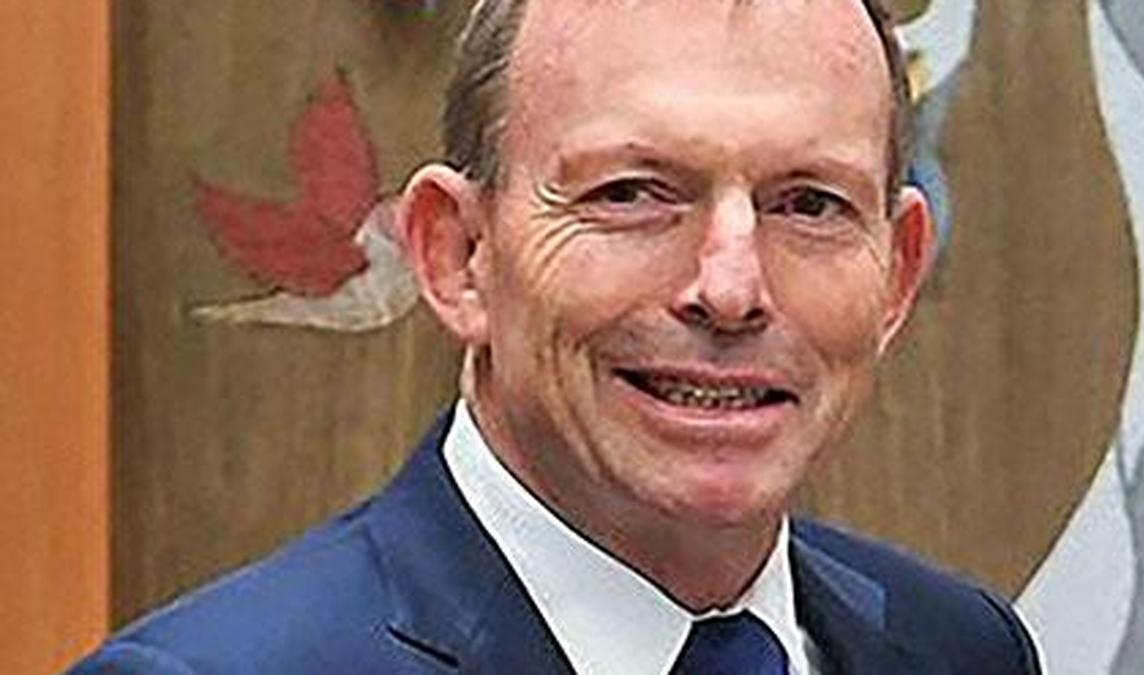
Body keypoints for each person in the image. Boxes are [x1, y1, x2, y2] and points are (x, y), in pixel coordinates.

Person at [70, 0, 1043, 672]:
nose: (731, 289)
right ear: (459, 255)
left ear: (896, 273)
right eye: (633, 194)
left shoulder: (958, 650)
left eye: (810, 204)